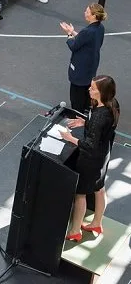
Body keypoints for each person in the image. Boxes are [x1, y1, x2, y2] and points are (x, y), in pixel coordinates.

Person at [61, 75, 119, 242]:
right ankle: (96, 223)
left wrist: (69, 138)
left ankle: (74, 231)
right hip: (103, 155)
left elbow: (89, 145)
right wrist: (84, 122)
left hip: (91, 160)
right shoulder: (112, 105)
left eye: (93, 88)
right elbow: (99, 127)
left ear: (101, 92)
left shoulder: (100, 116)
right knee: (99, 189)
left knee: (80, 194)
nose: (89, 89)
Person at [60, 4, 107, 113]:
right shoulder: (100, 28)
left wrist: (69, 34)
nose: (85, 13)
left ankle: (77, 115)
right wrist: (73, 32)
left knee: (76, 98)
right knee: (87, 92)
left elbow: (74, 46)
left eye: (87, 12)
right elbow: (84, 40)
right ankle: (86, 111)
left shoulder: (88, 31)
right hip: (91, 66)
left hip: (80, 69)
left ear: (94, 16)